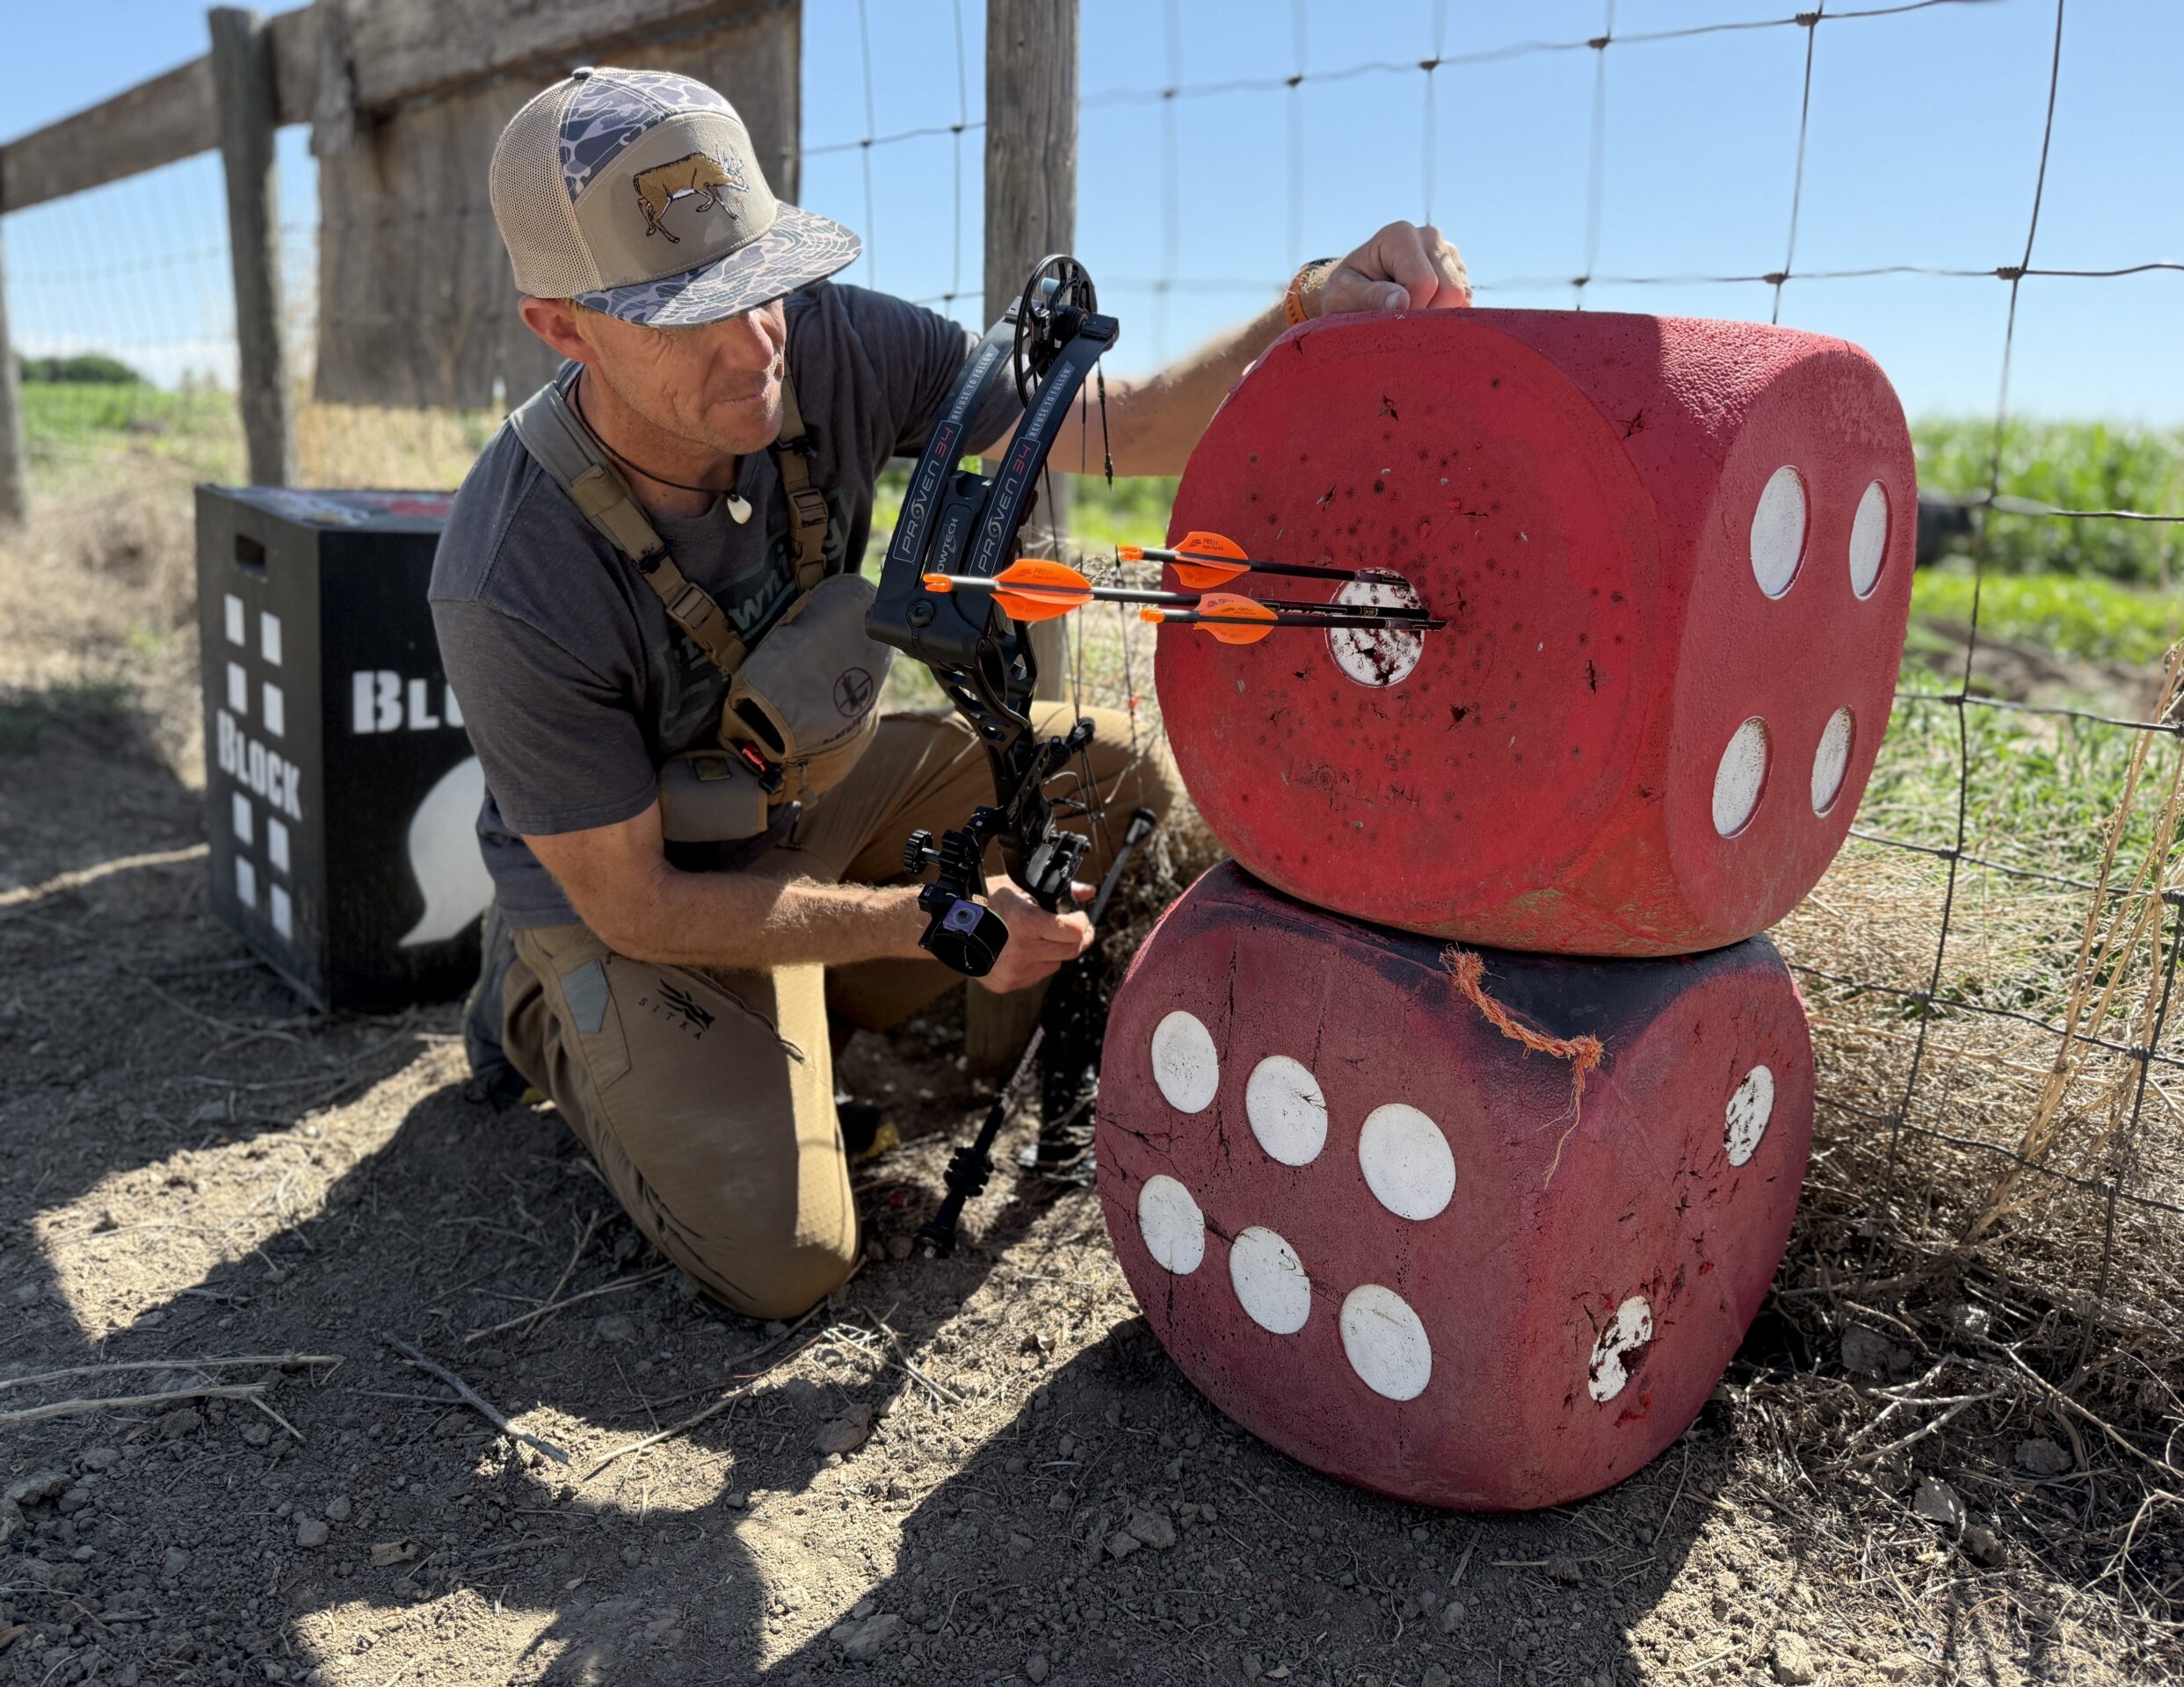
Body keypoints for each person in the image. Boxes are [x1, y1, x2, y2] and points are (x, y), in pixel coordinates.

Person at [431, 66, 1474, 1320]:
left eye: (761, 281)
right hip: (631, 895)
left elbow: (1102, 425)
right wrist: (926, 926)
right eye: (684, 313)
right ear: (562, 327)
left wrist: (1303, 308)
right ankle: (545, 1007)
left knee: (1100, 777)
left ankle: (799, 1006)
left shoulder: (825, 344)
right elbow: (640, 899)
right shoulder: (510, 576)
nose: (755, 339)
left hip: (800, 805)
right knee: (788, 1264)